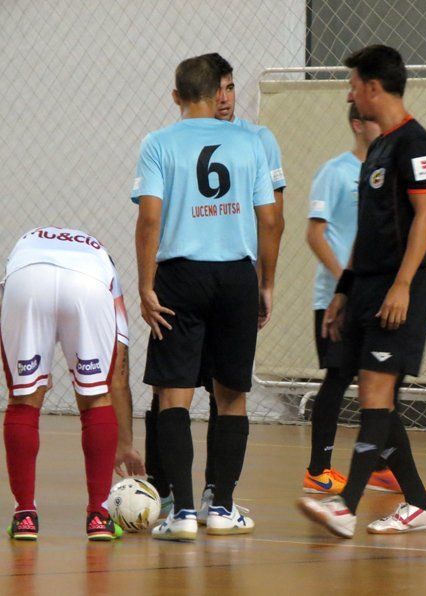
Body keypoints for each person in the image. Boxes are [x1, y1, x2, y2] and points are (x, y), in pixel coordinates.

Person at [132, 54, 281, 541]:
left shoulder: (157, 143)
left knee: (173, 393)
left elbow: (150, 218)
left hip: (180, 275)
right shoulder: (251, 142)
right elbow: (271, 219)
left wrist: (146, 283)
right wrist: (265, 281)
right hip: (236, 274)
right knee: (231, 394)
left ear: (176, 96)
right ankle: (224, 506)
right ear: (215, 92)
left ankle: (182, 514)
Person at [298, 45, 426, 538]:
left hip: (400, 290)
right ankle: (418, 502)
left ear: (374, 88)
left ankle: (346, 504)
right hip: (366, 288)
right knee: (376, 398)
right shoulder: (376, 150)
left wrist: (402, 285)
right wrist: (342, 291)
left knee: (376, 392)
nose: (350, 93)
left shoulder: (415, 143)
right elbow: (366, 231)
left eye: (354, 84)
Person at [1, 226, 144, 541]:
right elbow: (117, 376)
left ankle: (25, 514)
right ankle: (99, 517)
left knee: (23, 400)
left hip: (27, 280)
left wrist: (32, 376)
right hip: (87, 286)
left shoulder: (25, 243)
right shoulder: (104, 263)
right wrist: (124, 443)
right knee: (95, 399)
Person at [302, 104, 402, 495]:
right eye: (374, 119)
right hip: (336, 299)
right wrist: (345, 282)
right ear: (358, 125)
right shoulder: (336, 171)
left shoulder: (387, 175)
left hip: (376, 298)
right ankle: (318, 468)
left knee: (385, 381)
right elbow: (315, 233)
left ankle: (381, 466)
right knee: (339, 376)